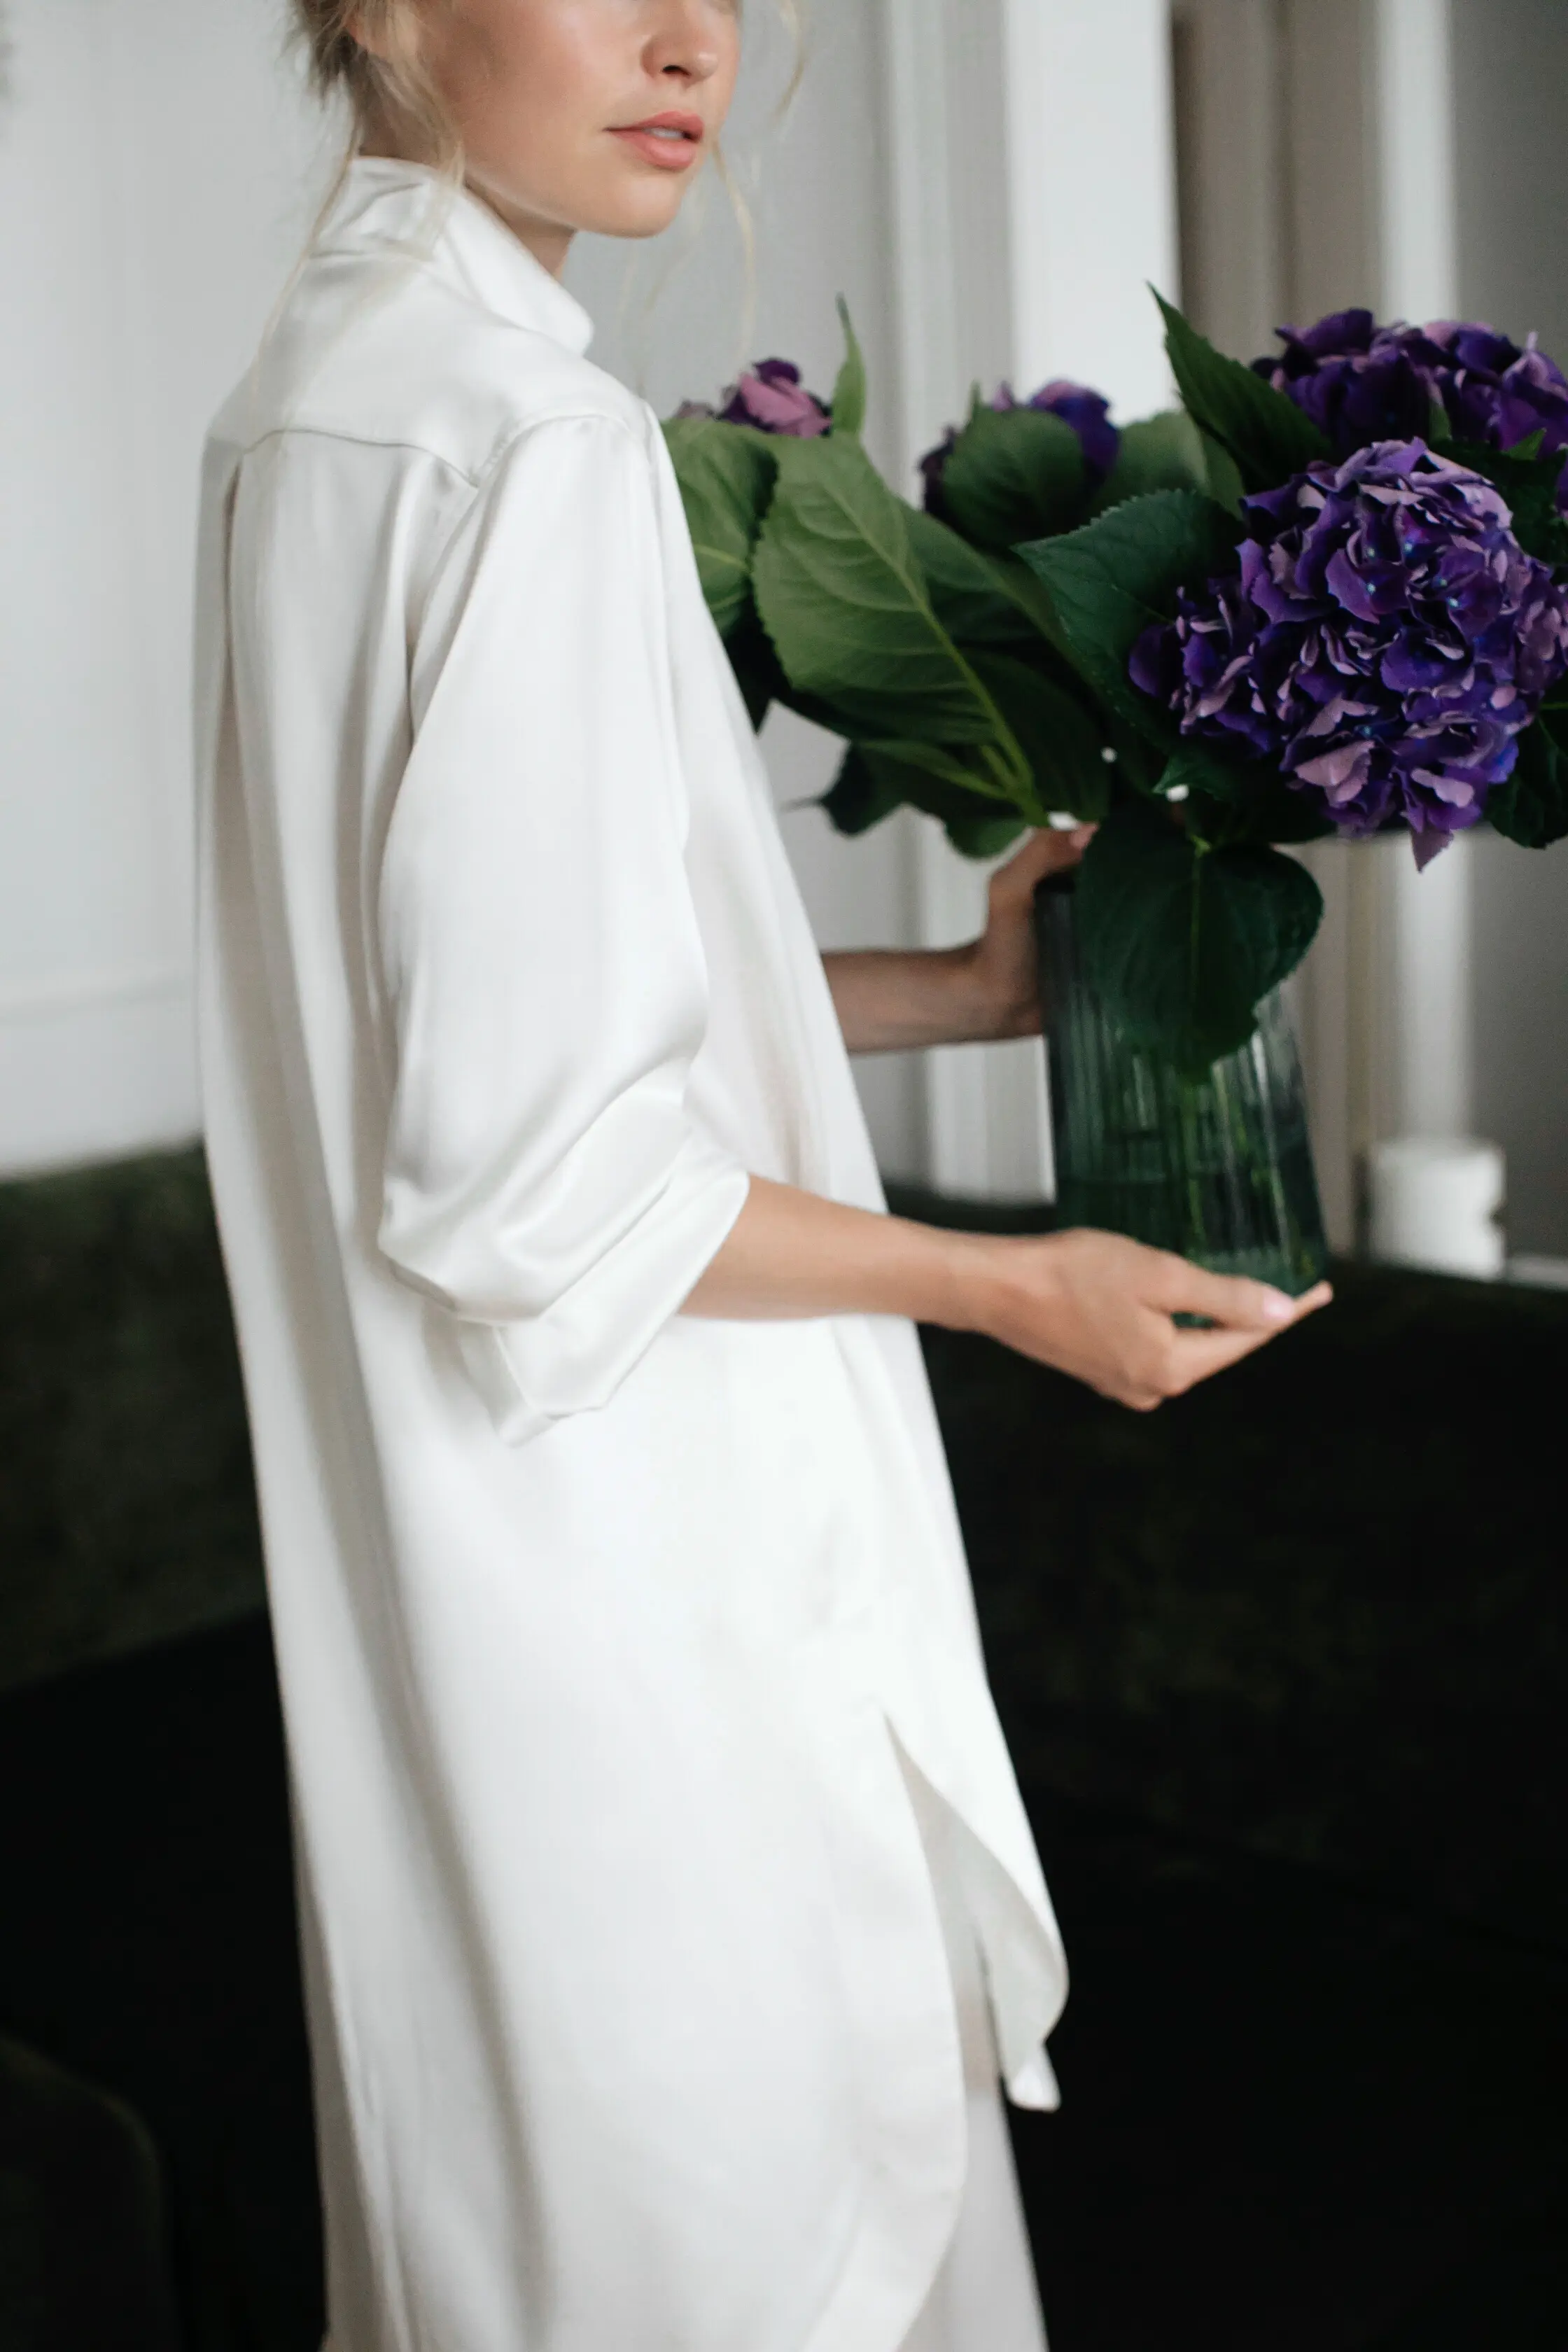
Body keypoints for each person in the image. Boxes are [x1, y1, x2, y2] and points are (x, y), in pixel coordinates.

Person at [194, 4, 1330, 2346]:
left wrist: (931, 992)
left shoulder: (312, 400)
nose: (691, 35)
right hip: (639, 1599)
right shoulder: (529, 444)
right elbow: (526, 1190)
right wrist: (1021, 1285)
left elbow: (449, 1032)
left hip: (477, 1620)